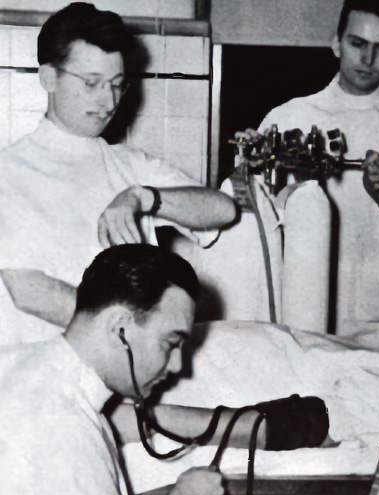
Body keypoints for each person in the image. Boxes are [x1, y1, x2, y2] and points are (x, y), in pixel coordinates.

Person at [0, 2, 237, 345]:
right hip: (48, 366)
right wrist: (130, 340)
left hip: (132, 363)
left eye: (116, 84)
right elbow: (28, 290)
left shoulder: (127, 164)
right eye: (92, 82)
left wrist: (144, 197)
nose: (108, 101)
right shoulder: (11, 170)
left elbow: (223, 209)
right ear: (49, 78)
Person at [252, 0, 379, 342]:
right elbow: (254, 222)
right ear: (336, 43)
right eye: (357, 44)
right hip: (303, 315)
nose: (368, 59)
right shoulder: (287, 119)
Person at [0, 245, 225, 495]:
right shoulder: (62, 427)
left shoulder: (25, 369)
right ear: (119, 327)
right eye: (170, 343)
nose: (177, 366)